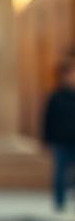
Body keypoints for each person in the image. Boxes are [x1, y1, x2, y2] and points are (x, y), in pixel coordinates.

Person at [42, 55, 75, 212]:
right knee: (60, 172)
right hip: (61, 141)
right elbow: (48, 119)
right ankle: (60, 202)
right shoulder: (56, 97)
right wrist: (46, 140)